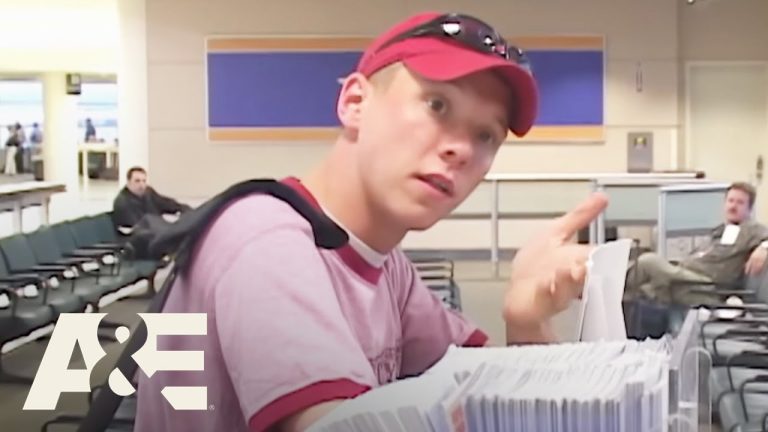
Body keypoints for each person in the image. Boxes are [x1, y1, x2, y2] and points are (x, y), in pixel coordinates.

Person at [134, 12, 607, 432]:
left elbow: (492, 389)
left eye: (485, 134)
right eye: (437, 105)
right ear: (355, 103)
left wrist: (524, 323)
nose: (461, 148)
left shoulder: (382, 261)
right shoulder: (268, 241)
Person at [626, 181, 768, 305]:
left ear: (749, 209)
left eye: (740, 202)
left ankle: (615, 286)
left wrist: (763, 247)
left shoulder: (751, 229)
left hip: (707, 286)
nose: (733, 206)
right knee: (644, 290)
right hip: (688, 276)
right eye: (730, 201)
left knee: (648, 261)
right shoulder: (720, 231)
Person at [112, 166, 191, 232]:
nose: (141, 185)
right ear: (128, 182)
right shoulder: (122, 202)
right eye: (137, 181)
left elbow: (166, 203)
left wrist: (184, 209)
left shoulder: (148, 192)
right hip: (140, 240)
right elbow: (138, 226)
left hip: (157, 232)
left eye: (144, 181)